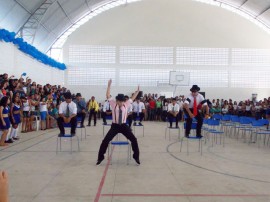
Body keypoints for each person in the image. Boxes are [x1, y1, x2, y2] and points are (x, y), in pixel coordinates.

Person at [96, 79, 140, 165]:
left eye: (121, 101)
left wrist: (137, 91)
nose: (119, 102)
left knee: (134, 139)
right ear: (116, 100)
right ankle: (100, 158)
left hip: (123, 126)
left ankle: (136, 157)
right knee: (105, 140)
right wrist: (109, 86)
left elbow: (133, 98)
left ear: (123, 101)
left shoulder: (127, 104)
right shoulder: (113, 103)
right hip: (115, 126)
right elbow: (108, 95)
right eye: (118, 101)